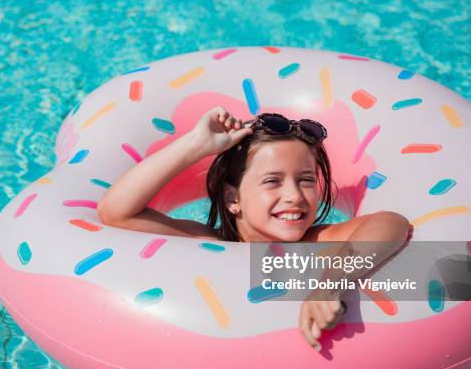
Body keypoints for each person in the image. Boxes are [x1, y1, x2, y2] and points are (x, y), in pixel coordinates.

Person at [98, 107, 410, 351]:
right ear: (233, 199)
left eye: (306, 180)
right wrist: (197, 145)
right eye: (273, 181)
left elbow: (391, 223)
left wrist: (330, 282)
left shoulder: (316, 242)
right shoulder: (206, 243)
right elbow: (116, 212)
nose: (295, 196)